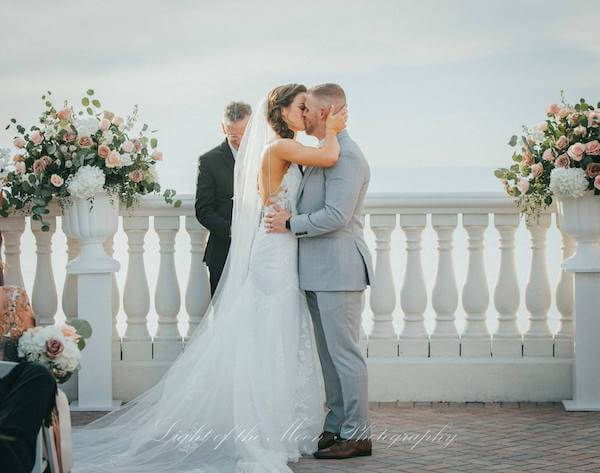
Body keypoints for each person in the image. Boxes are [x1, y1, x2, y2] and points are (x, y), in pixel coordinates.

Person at [71, 84, 348, 473]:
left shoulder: (281, 148)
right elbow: (331, 155)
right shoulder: (280, 148)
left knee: (280, 335)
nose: (307, 113)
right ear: (282, 111)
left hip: (282, 246)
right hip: (275, 254)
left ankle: (278, 425)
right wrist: (334, 125)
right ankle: (264, 430)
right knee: (271, 336)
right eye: (302, 107)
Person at [264, 83, 375, 459]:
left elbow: (337, 215)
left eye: (309, 109)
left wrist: (291, 224)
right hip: (315, 271)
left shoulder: (348, 157)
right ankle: (336, 426)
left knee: (345, 354)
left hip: (339, 269)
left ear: (326, 113)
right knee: (328, 356)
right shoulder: (323, 152)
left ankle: (358, 434)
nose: (305, 115)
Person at [195, 101, 252, 295]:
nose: (239, 139)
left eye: (244, 132)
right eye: (233, 134)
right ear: (223, 128)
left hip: (258, 253)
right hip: (222, 252)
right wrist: (232, 230)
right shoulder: (209, 161)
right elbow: (203, 210)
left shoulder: (266, 156)